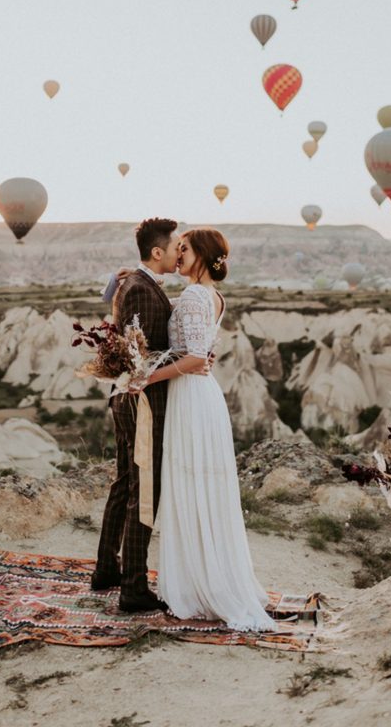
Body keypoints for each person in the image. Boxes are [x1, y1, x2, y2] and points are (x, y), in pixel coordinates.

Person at [146, 227, 277, 631]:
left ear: (202, 255)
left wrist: (145, 378)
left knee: (189, 487)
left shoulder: (194, 296)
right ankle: (211, 577)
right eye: (177, 248)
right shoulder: (214, 297)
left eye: (184, 250)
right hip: (202, 396)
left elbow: (194, 357)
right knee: (203, 489)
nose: (178, 255)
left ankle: (199, 587)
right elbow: (196, 351)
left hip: (189, 396)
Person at [92, 217, 211, 612]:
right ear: (157, 252)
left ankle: (107, 568)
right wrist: (192, 359)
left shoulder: (140, 285)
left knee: (126, 482)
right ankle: (133, 587)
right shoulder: (142, 289)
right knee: (145, 490)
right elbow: (141, 357)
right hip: (143, 402)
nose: (180, 251)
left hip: (127, 397)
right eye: (175, 245)